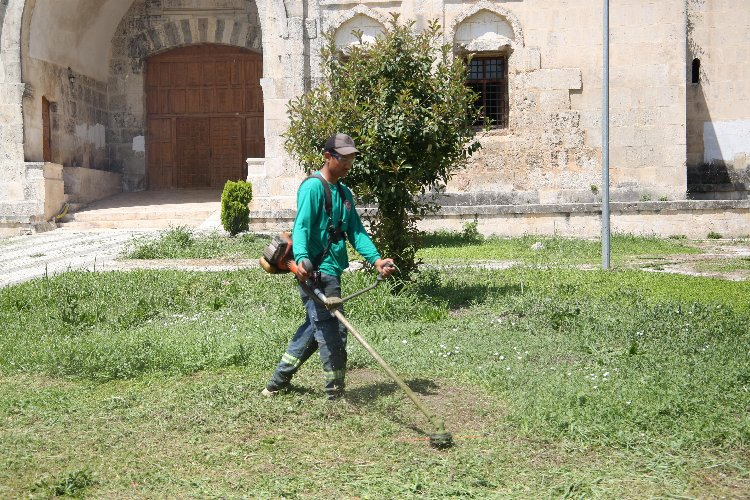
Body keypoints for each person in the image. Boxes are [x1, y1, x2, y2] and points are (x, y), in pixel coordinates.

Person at [262, 133, 395, 400]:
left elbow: (356, 232)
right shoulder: (312, 187)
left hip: (332, 270)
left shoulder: (345, 194)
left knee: (315, 327)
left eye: (351, 159)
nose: (348, 164)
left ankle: (276, 382)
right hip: (315, 273)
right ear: (327, 156)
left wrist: (377, 260)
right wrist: (300, 260)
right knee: (333, 330)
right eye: (343, 158)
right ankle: (335, 395)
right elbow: (302, 226)